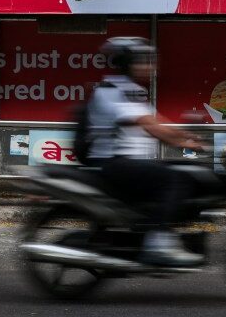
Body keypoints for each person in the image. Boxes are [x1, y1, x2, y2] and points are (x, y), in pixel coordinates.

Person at [85, 37, 204, 267]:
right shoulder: (113, 90)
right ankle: (157, 242)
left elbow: (157, 121)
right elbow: (149, 124)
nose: (149, 66)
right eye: (142, 60)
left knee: (181, 172)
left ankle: (154, 230)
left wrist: (187, 136)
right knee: (174, 180)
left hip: (125, 161)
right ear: (127, 63)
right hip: (114, 162)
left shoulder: (130, 90)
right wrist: (182, 142)